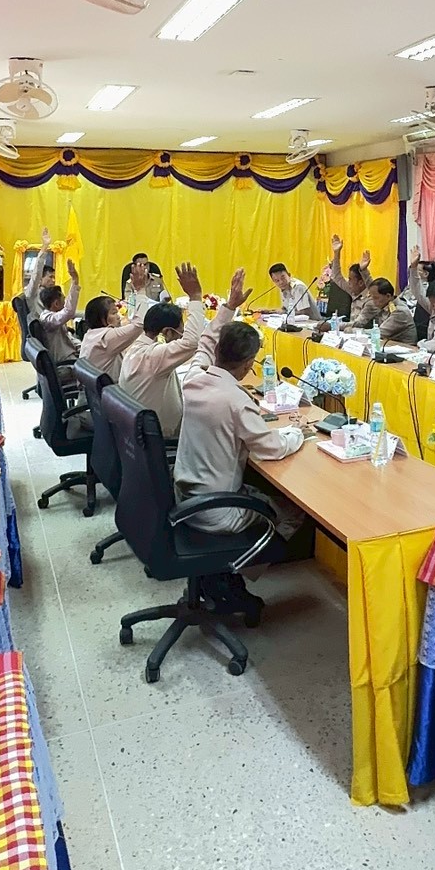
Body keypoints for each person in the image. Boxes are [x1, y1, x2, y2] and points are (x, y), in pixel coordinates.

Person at [175, 269, 312, 612]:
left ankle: (218, 572)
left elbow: (204, 344)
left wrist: (229, 307)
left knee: (260, 491)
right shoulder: (237, 401)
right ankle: (232, 575)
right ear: (250, 364)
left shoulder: (192, 379)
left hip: (185, 498)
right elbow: (272, 448)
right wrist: (299, 432)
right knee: (293, 512)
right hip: (217, 511)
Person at [119, 262, 207, 438]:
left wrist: (140, 291)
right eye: (181, 330)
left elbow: (139, 320)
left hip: (138, 435)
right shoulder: (154, 356)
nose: (183, 335)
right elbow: (192, 341)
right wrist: (195, 297)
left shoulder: (139, 345)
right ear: (167, 332)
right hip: (164, 438)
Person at [79, 293, 144, 383]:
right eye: (114, 313)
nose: (119, 317)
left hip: (96, 389)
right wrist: (141, 293)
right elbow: (139, 325)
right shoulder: (106, 337)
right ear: (101, 318)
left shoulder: (91, 334)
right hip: (110, 389)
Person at [38, 258, 82, 368]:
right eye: (64, 299)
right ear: (56, 304)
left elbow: (70, 315)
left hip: (72, 356)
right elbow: (69, 311)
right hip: (65, 364)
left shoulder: (53, 314)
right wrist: (75, 280)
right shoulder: (48, 319)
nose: (66, 301)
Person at [24, 228, 56, 323]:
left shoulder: (50, 294)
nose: (53, 281)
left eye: (54, 277)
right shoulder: (32, 293)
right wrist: (45, 247)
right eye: (50, 277)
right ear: (41, 279)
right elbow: (37, 273)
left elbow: (64, 312)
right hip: (44, 329)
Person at [328, 234, 371, 303]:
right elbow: (337, 277)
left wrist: (364, 270)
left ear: (360, 283)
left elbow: (371, 284)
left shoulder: (372, 295)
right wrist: (336, 253)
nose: (348, 282)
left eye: (350, 279)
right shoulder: (353, 291)